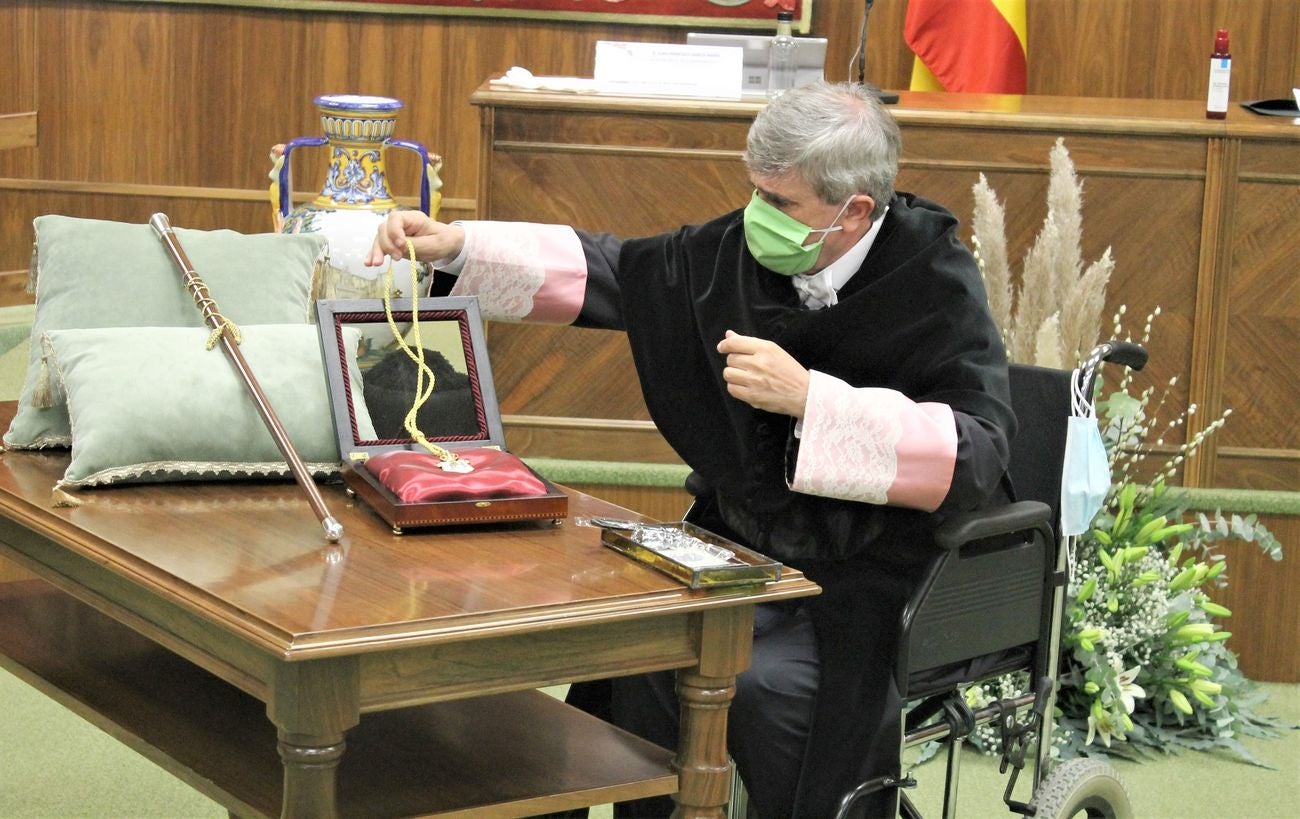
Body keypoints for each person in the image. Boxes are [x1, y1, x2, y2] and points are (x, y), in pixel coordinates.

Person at [367, 81, 1015, 819]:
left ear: (855, 210)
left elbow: (979, 449)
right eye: (755, 192)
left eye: (782, 202)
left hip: (865, 573)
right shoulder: (745, 244)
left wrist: (814, 400)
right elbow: (618, 273)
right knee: (640, 658)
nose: (756, 217)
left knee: (766, 688)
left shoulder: (935, 284)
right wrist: (460, 246)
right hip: (736, 545)